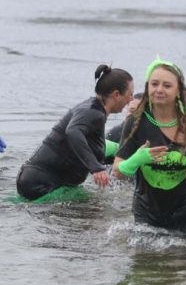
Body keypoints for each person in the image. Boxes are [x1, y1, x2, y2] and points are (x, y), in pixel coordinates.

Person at [112, 57, 186, 237]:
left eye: (167, 85)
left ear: (179, 90)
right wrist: (137, 159)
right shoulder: (136, 122)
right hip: (147, 210)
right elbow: (118, 171)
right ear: (147, 87)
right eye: (154, 84)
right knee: (145, 263)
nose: (159, 90)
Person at [16, 65, 134, 201]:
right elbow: (72, 132)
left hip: (37, 180)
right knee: (95, 213)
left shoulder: (94, 109)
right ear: (116, 94)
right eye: (130, 94)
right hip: (41, 184)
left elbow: (89, 148)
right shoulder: (93, 112)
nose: (131, 99)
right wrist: (96, 168)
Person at [105, 92, 143, 165]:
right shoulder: (115, 133)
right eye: (132, 110)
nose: (134, 116)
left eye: (140, 113)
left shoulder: (156, 134)